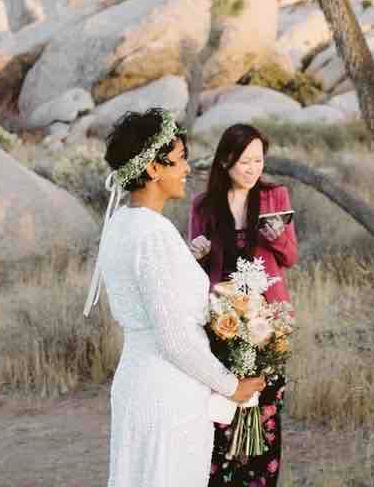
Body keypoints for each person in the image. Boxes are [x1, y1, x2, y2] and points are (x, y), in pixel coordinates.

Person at [83, 108, 265, 487]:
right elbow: (174, 338)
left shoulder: (122, 224)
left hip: (138, 380)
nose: (186, 168)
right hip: (167, 392)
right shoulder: (153, 235)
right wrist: (232, 385)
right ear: (153, 168)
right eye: (180, 159)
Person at [188, 123, 298, 486]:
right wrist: (197, 255)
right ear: (224, 162)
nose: (253, 169)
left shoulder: (275, 196)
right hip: (222, 319)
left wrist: (279, 238)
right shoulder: (204, 206)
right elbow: (197, 269)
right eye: (244, 161)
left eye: (258, 160)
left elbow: (291, 257)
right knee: (222, 413)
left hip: (269, 321)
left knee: (265, 412)